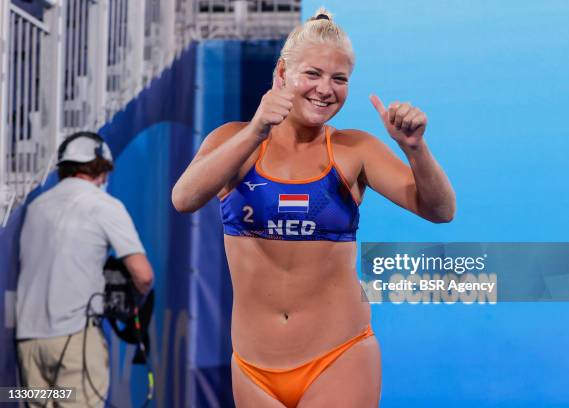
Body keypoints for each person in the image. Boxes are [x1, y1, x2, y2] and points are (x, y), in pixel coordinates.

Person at [172, 8, 455, 408]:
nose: (326, 89)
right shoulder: (234, 140)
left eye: (339, 79)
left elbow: (440, 210)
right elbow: (184, 198)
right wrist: (256, 129)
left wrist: (416, 150)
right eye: (313, 74)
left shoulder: (353, 150)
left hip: (339, 357)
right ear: (282, 74)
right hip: (253, 369)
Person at [15, 131, 154, 407]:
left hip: (29, 344)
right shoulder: (103, 205)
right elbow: (143, 274)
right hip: (74, 341)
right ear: (100, 167)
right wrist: (135, 302)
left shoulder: (36, 207)